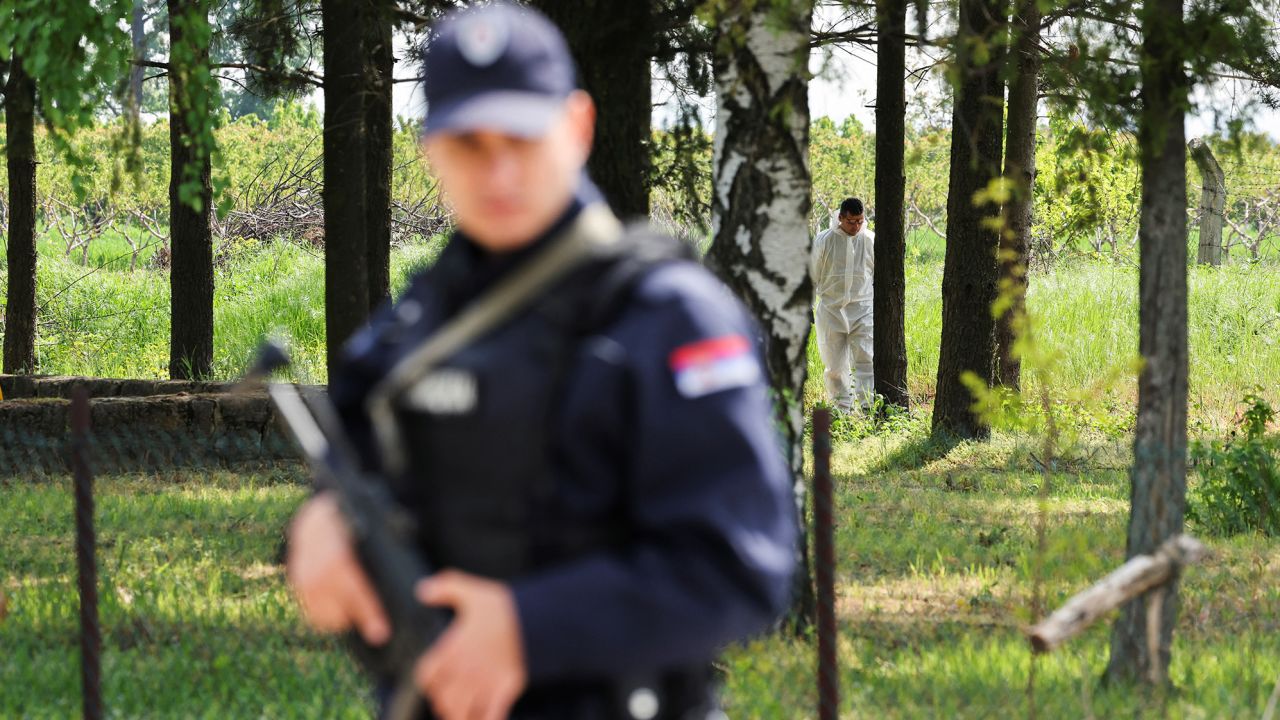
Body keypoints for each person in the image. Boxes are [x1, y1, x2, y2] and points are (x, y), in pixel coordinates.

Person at [284, 4, 797, 719]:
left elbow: (742, 570)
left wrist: (531, 628)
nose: (498, 172)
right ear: (430, 149)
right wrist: (314, 527)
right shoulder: (419, 320)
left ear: (578, 126)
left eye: (522, 138)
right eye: (467, 144)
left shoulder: (669, 315)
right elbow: (349, 467)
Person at [810, 197, 875, 412]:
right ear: (840, 218)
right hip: (831, 311)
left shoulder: (869, 241)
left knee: (866, 361)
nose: (856, 226)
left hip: (862, 309)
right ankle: (842, 411)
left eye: (859, 221)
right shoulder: (824, 240)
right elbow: (811, 275)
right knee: (835, 367)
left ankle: (868, 410)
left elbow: (877, 275)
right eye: (851, 221)